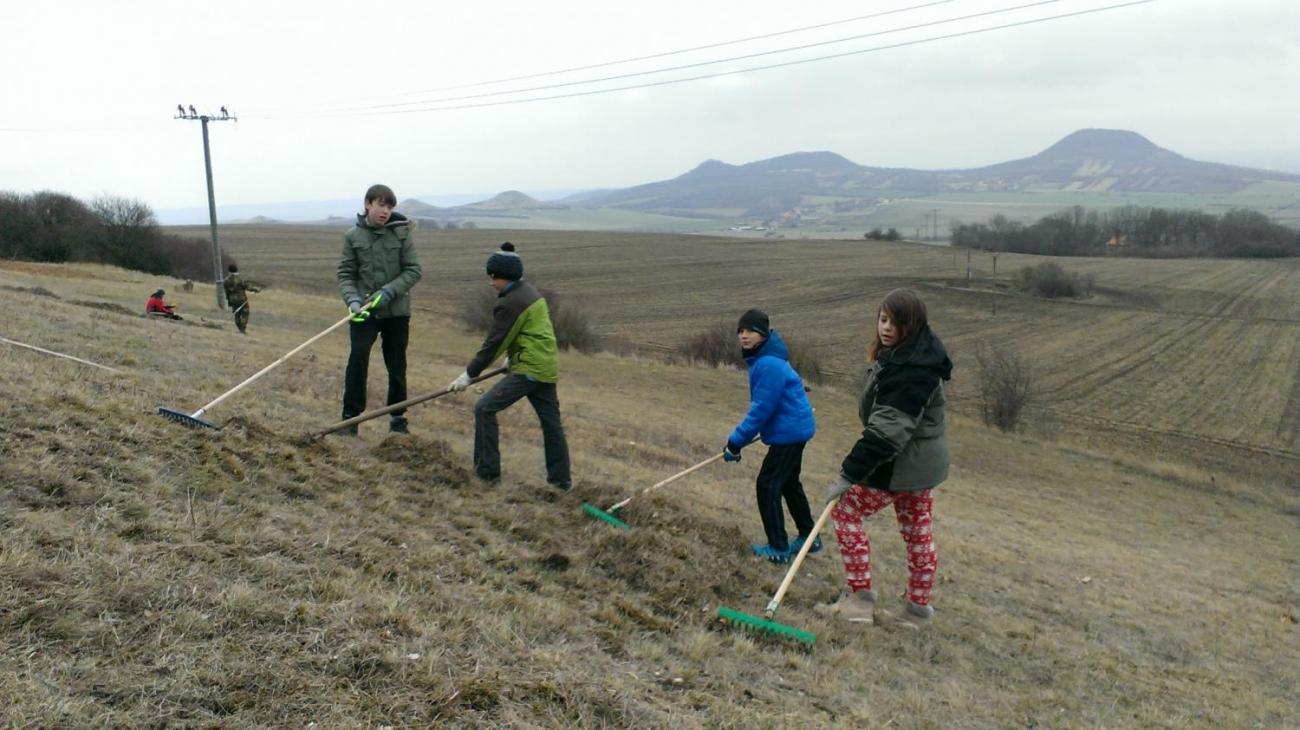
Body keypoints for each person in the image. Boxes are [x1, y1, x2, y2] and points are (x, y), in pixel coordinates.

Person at [816, 288, 951, 629]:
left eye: (896, 322)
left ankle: (859, 600)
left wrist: (848, 475)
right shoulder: (914, 355)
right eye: (883, 319)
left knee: (846, 510)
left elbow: (887, 433)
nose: (886, 328)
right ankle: (917, 610)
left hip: (898, 463)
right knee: (918, 532)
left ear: (913, 325)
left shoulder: (911, 370)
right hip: (922, 465)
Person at [448, 242, 571, 491]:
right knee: (551, 424)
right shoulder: (530, 292)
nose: (491, 283)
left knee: (484, 408)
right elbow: (531, 332)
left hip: (529, 369)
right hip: (546, 365)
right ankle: (561, 481)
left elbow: (494, 343)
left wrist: (469, 375)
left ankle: (487, 474)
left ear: (505, 277)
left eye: (493, 277)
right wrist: (512, 358)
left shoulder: (511, 303)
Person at [723, 309, 818, 564]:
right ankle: (810, 536)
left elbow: (761, 409)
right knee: (788, 482)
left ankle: (778, 546)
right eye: (740, 331)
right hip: (794, 428)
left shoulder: (768, 363)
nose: (744, 336)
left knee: (767, 485)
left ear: (763, 334)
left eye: (750, 331)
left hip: (790, 432)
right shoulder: (766, 357)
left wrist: (735, 442)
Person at [336, 184, 422, 435]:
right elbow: (345, 275)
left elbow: (414, 270)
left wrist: (388, 292)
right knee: (358, 358)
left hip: (396, 312)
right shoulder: (352, 237)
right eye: (380, 204)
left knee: (396, 365)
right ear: (367, 204)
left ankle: (398, 419)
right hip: (364, 311)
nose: (385, 210)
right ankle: (349, 419)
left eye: (389, 206)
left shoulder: (402, 234)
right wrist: (352, 301)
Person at [223, 264, 260, 334]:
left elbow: (226, 292)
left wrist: (229, 300)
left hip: (232, 299)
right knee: (245, 313)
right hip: (241, 299)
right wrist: (255, 290)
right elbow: (246, 286)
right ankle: (242, 328)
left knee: (236, 314)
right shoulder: (239, 279)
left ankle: (240, 328)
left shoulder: (226, 281)